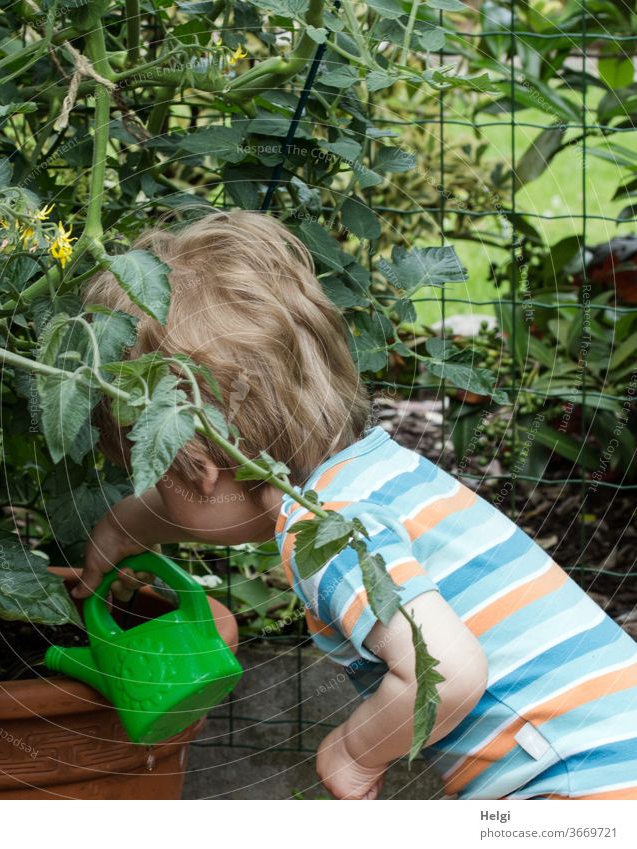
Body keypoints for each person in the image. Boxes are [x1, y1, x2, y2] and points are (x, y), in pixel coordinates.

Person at [77, 210, 637, 800]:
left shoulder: (323, 532)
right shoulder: (374, 473)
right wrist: (120, 530)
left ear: (205, 467)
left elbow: (444, 674)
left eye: (156, 477)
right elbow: (219, 507)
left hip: (577, 787)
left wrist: (352, 753)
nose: (153, 496)